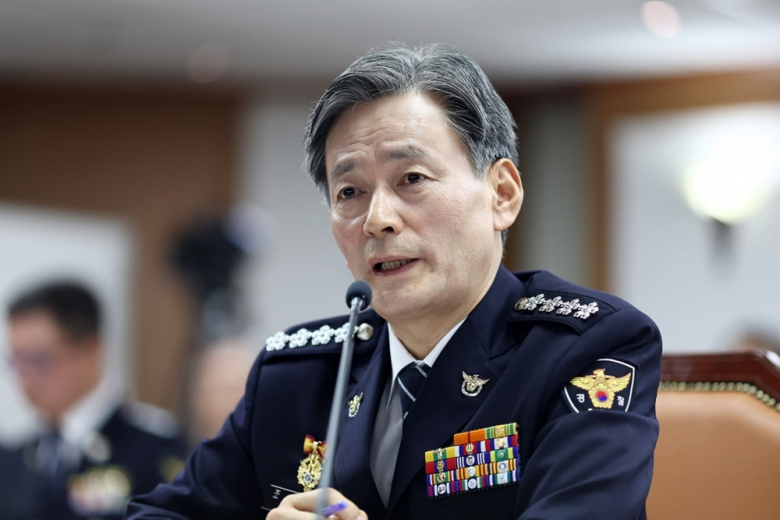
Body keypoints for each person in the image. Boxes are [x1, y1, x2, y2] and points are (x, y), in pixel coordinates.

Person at [126, 43, 662, 520]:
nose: (377, 219)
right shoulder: (297, 376)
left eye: (412, 179)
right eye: (350, 193)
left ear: (501, 194)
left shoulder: (585, 349)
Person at [0, 281, 187, 520]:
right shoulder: (15, 458)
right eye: (16, 361)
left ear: (91, 349)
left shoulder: (152, 449)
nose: (25, 378)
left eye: (38, 359)